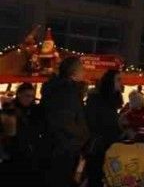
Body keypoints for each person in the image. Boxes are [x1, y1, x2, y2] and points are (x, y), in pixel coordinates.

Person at [42, 55, 89, 187]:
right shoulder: (66, 92)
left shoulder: (64, 90)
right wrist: (82, 135)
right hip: (65, 148)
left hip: (62, 146)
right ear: (73, 73)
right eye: (81, 69)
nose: (84, 72)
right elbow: (65, 121)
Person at [83, 69, 125, 187]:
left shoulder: (112, 101)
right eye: (118, 80)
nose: (121, 83)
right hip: (98, 147)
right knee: (96, 178)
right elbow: (93, 122)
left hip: (110, 146)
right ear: (110, 82)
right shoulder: (97, 100)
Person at [1, 82, 47, 180]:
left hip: (29, 151)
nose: (29, 99)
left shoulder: (35, 110)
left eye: (32, 96)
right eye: (27, 96)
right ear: (19, 94)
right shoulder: (10, 109)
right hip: (13, 151)